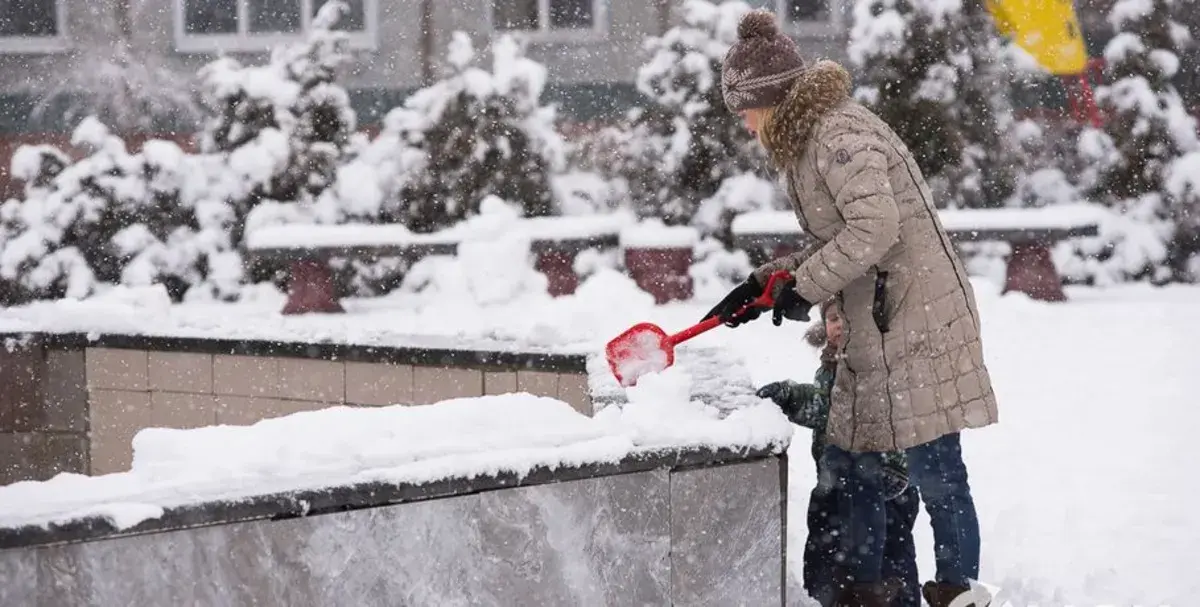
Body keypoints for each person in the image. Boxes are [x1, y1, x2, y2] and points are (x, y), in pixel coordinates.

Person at [702, 9, 999, 607]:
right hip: (876, 317)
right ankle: (867, 591)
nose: (746, 128)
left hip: (915, 316)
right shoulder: (812, 137)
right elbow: (841, 233)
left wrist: (804, 285)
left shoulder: (837, 136)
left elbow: (875, 227)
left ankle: (956, 591)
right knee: (859, 458)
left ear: (769, 100)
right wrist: (769, 282)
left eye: (746, 113)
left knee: (934, 461)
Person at [756, 300, 920, 607]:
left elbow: (837, 408)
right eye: (833, 318)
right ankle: (826, 596)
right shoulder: (831, 364)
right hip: (840, 478)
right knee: (827, 554)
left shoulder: (878, 360)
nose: (840, 325)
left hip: (885, 481)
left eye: (850, 316)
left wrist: (791, 396)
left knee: (888, 558)